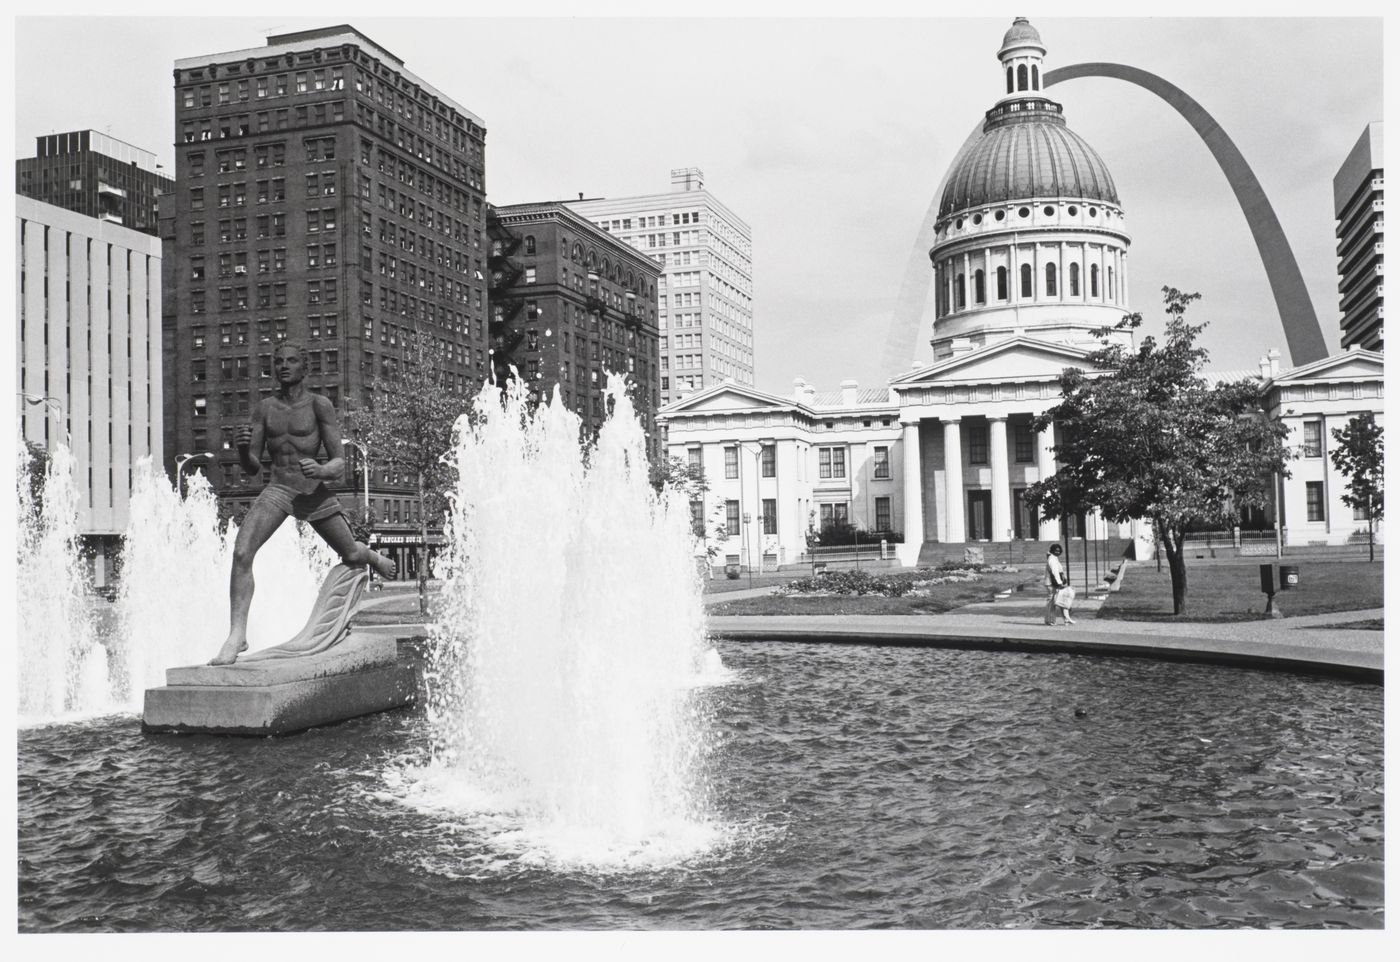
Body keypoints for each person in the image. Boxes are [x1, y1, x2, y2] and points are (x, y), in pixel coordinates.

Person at [209, 342, 397, 665]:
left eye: (291, 361)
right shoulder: (264, 408)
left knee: (350, 553)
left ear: (304, 368)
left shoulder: (320, 405)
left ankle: (369, 554)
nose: (284, 366)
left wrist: (321, 469)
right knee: (242, 551)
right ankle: (237, 635)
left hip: (313, 490)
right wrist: (242, 451)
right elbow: (253, 467)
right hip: (279, 488)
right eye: (278, 361)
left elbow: (340, 460)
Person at [1043, 543, 1075, 626]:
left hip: (1053, 583)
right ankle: (1050, 620)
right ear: (1052, 551)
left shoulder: (1054, 558)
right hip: (1051, 583)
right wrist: (1060, 582)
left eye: (1059, 551)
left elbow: (1059, 570)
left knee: (1054, 601)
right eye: (1056, 551)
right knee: (1051, 602)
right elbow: (1055, 572)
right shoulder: (1052, 559)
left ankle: (1053, 619)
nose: (1057, 552)